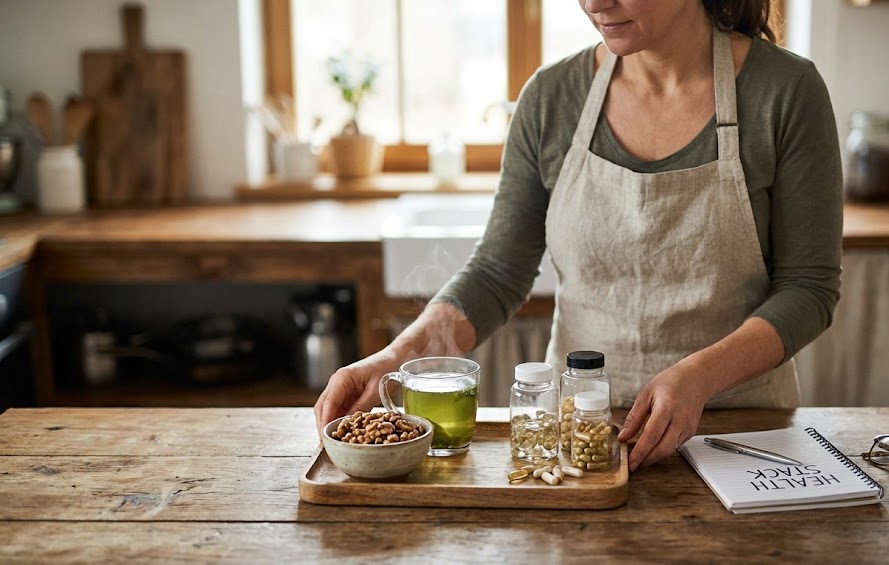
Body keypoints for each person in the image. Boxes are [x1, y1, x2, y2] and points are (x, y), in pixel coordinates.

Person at [315, 0, 842, 472]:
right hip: (582, 441)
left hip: (739, 435)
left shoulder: (785, 92)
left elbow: (808, 289)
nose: (594, 3)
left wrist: (700, 377)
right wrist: (395, 359)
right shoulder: (551, 98)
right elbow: (498, 273)